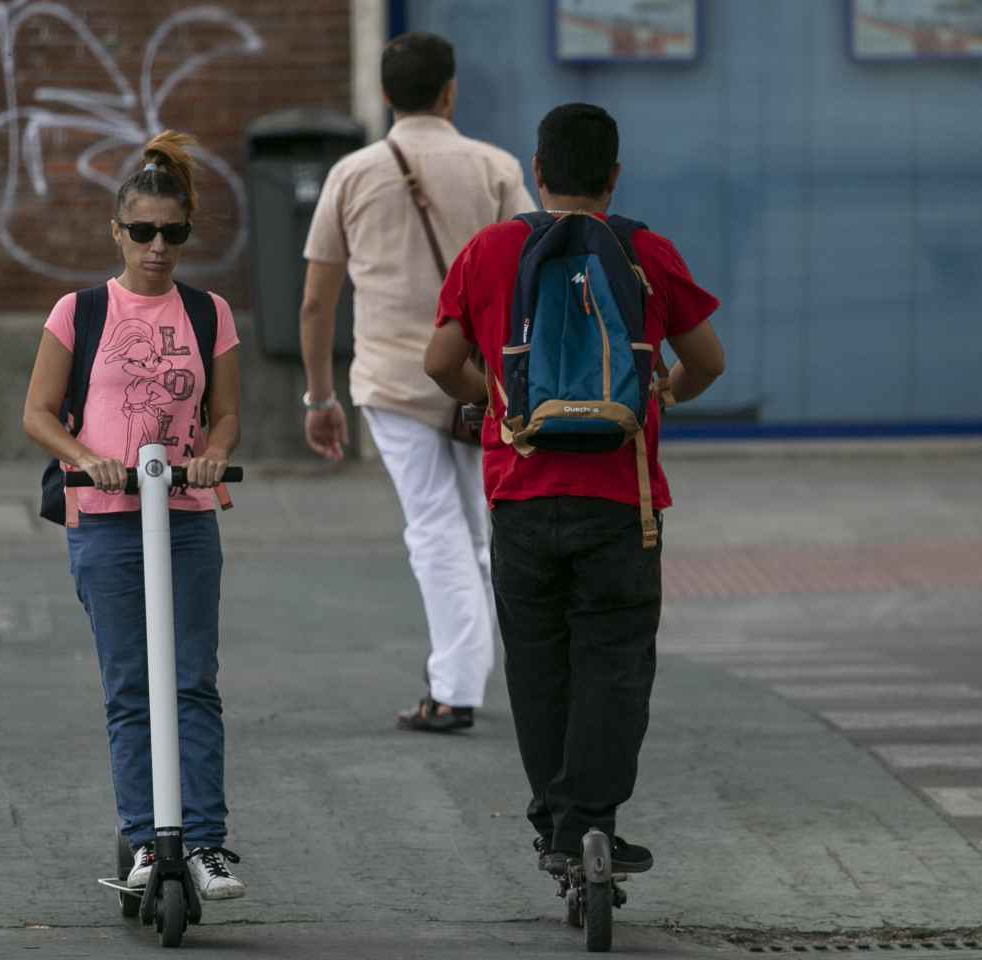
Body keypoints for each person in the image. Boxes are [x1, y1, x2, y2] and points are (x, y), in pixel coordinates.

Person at [423, 103, 726, 873]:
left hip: (520, 493)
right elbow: (709, 359)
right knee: (616, 663)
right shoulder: (647, 251)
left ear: (537, 169)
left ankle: (556, 822)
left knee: (537, 663)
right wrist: (668, 391)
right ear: (614, 175)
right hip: (622, 503)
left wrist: (491, 394)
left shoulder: (491, 251)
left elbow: (437, 361)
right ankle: (590, 822)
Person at [21, 131, 246, 901]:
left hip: (184, 512)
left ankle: (208, 843)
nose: (157, 248)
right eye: (143, 232)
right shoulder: (79, 311)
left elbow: (225, 417)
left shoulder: (209, 313)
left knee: (192, 684)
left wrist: (214, 455)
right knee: (130, 689)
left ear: (187, 234)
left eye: (173, 233)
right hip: (108, 517)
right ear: (117, 232)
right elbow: (38, 414)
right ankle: (148, 841)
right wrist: (86, 458)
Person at [299, 32, 536, 733]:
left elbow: (316, 300)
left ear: (383, 96)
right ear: (450, 92)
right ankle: (498, 672)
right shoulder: (495, 168)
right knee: (480, 529)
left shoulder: (353, 174)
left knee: (436, 529)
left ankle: (456, 688)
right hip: (480, 381)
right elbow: (530, 270)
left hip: (393, 381)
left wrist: (320, 397)